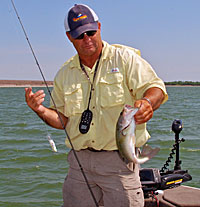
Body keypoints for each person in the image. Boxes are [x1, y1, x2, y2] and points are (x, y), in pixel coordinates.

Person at [25, 4, 168, 207]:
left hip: (119, 162)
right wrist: (39, 109)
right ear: (69, 37)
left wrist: (147, 103)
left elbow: (156, 88)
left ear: (99, 27)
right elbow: (62, 120)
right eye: (79, 35)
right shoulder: (64, 74)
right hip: (79, 165)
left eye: (90, 32)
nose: (87, 39)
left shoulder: (125, 59)